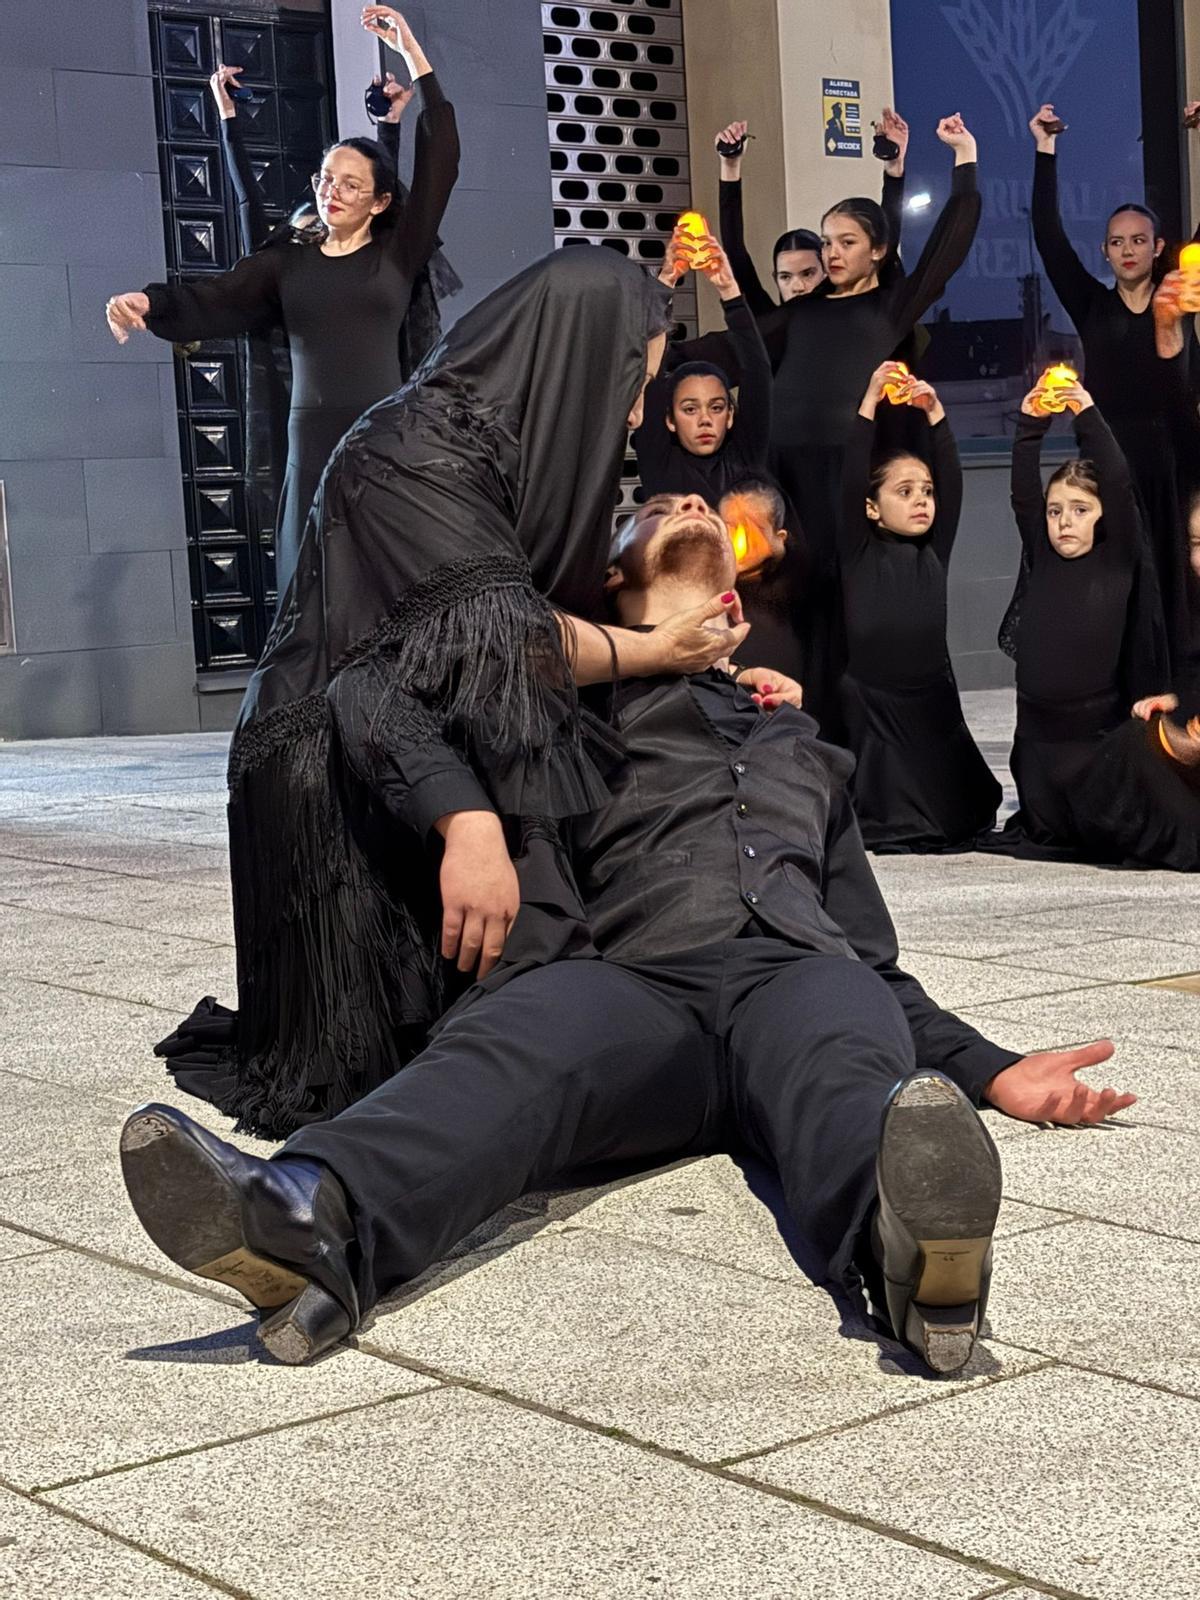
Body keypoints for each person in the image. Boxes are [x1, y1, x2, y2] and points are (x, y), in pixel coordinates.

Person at [121, 490, 1135, 1377]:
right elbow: (372, 681)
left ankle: (914, 1260)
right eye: (656, 510)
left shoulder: (803, 746)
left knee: (849, 1053)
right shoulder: (559, 708)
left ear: (736, 604)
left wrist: (994, 1069)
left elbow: (873, 963)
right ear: (611, 582)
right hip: (632, 984)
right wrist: (480, 807)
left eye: (705, 507)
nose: (691, 503)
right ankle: (309, 1216)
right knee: (521, 1041)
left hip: (794, 976)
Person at [153, 248, 795, 1140]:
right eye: (635, 384)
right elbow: (493, 639)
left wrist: (724, 682)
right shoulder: (413, 447)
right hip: (334, 751)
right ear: (576, 357)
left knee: (543, 978)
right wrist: (472, 817)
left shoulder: (500, 447)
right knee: (414, 1053)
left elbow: (514, 638)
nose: (639, 412)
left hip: (433, 729)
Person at [105, 6, 461, 599]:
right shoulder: (286, 261)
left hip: (384, 442)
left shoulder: (398, 253)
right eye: (325, 178)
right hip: (310, 445)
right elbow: (215, 297)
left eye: (350, 183)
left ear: (378, 202)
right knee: (312, 593)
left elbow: (442, 160)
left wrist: (413, 56)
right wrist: (147, 302)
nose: (332, 191)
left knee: (389, 591)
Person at [1028, 102, 1200, 674]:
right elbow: (1049, 240)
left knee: (1179, 590)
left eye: (1138, 240)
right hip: (1109, 466)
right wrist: (1045, 151)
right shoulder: (1093, 306)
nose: (1127, 249)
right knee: (1120, 589)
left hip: (1176, 465)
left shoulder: (1176, 296)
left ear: (1158, 247)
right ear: (1105, 252)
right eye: (1116, 242)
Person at [1000, 377, 1169, 853]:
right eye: (1056, 512)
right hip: (1036, 742)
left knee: (1103, 831)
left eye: (1079, 510)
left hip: (1091, 747)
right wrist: (1030, 424)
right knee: (1049, 830)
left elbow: (1116, 481)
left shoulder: (1116, 557)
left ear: (1103, 516)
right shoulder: (1043, 552)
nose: (1064, 522)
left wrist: (1086, 412)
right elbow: (1023, 494)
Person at [837, 365, 999, 849]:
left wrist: (937, 414)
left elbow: (952, 478)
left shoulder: (934, 551)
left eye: (926, 492)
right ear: (871, 507)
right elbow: (850, 476)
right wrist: (869, 400)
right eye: (904, 492)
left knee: (956, 814)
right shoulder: (857, 549)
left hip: (930, 700)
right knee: (889, 814)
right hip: (875, 702)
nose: (922, 501)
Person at [714, 108, 909, 317]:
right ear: (775, 279)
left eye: (808, 273)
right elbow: (734, 252)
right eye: (785, 277)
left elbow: (885, 245)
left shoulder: (857, 313)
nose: (797, 286)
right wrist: (730, 164)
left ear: (828, 270)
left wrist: (894, 168)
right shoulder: (772, 325)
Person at [633, 233, 771, 501]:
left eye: (717, 407)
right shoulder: (659, 462)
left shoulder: (746, 458)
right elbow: (648, 369)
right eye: (690, 409)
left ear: (730, 416)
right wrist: (666, 281)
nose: (705, 419)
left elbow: (758, 371)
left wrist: (729, 290)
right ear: (670, 421)